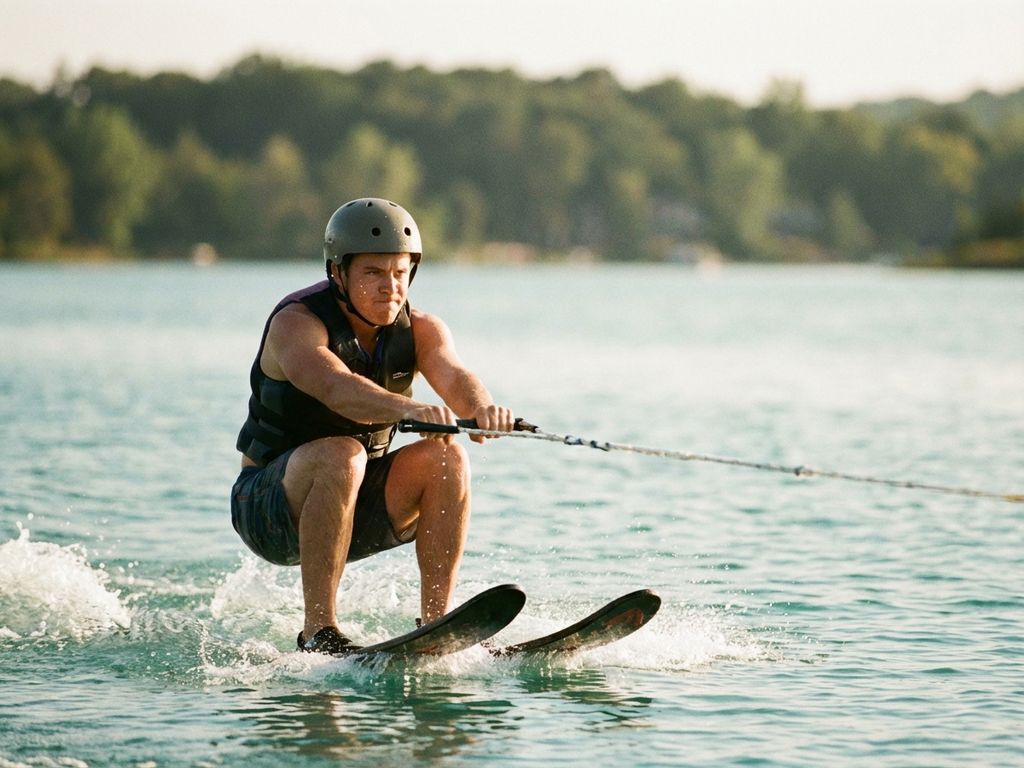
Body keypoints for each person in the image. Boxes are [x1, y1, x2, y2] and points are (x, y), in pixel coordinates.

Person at [231, 197, 515, 655]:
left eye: (400, 273)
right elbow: (335, 387)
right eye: (373, 274)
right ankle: (319, 633)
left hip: (353, 505)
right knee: (342, 452)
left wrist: (484, 409)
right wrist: (411, 411)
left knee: (447, 455)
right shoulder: (296, 326)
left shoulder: (422, 329)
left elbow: (456, 377)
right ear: (338, 273)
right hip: (269, 510)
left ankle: (437, 626)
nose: (390, 287)